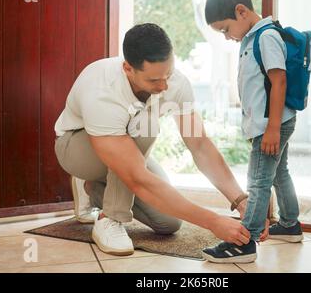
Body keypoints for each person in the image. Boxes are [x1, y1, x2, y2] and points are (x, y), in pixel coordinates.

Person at [54, 23, 250, 256]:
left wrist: (239, 199)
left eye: (168, 74)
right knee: (146, 126)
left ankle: (93, 188)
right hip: (76, 147)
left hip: (124, 148)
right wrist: (213, 221)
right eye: (154, 80)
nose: (164, 85)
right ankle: (110, 218)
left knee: (168, 223)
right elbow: (138, 179)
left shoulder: (176, 83)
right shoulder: (103, 90)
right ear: (128, 68)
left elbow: (199, 145)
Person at [202, 0, 303, 264]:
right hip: (272, 124)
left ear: (241, 11)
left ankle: (244, 241)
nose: (226, 37)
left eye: (224, 29)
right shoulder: (251, 38)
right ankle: (291, 224)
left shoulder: (266, 36)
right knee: (279, 173)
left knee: (258, 182)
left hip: (270, 126)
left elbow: (278, 79)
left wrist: (271, 129)